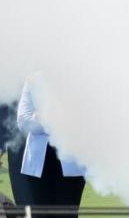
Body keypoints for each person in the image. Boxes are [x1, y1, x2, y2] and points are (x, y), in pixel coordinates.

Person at [15, 73, 85, 218]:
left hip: (71, 163)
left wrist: (42, 118)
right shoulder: (33, 79)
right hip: (38, 165)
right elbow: (23, 121)